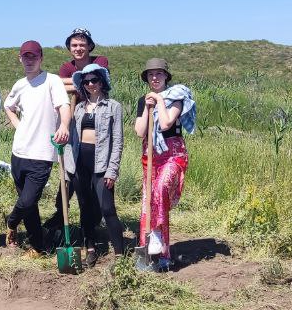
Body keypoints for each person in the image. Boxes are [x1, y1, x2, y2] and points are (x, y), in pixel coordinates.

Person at [3, 40, 71, 256]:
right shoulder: (19, 85)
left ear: (41, 58)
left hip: (42, 154)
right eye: (25, 56)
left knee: (28, 200)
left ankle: (11, 222)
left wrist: (64, 125)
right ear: (20, 58)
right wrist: (19, 126)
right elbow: (8, 106)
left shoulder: (52, 81)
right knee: (29, 206)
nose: (29, 60)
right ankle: (37, 247)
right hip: (19, 153)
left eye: (33, 56)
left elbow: (64, 106)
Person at [133, 58, 196, 272]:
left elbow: (167, 122)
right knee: (148, 203)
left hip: (173, 153)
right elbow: (140, 132)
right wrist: (147, 107)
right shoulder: (144, 101)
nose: (155, 77)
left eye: (159, 74)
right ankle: (157, 255)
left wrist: (159, 101)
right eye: (151, 74)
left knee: (160, 191)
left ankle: (157, 236)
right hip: (150, 154)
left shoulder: (177, 95)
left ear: (166, 76)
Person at [46, 28, 109, 238]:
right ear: (69, 48)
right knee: (70, 172)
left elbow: (100, 77)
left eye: (82, 44)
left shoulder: (100, 60)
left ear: (90, 45)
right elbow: (56, 83)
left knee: (94, 171)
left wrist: (74, 82)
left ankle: (95, 216)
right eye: (74, 45)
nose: (78, 48)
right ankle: (60, 214)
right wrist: (74, 82)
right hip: (73, 122)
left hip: (97, 121)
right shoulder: (66, 66)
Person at [67, 64, 126, 264]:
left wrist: (112, 170)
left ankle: (120, 255)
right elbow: (71, 138)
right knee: (85, 208)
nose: (91, 84)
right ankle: (90, 249)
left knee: (108, 209)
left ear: (102, 82)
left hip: (102, 165)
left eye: (95, 80)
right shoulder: (78, 108)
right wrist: (69, 168)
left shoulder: (113, 107)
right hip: (79, 164)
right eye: (86, 81)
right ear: (82, 85)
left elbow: (117, 141)